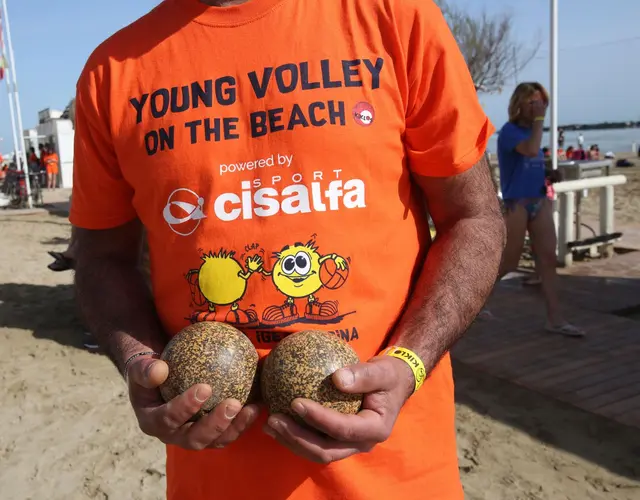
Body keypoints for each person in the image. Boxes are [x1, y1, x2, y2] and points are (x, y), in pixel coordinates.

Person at [70, 1, 505, 499]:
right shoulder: (114, 71)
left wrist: (410, 362)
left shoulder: (393, 17)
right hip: (216, 479)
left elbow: (472, 217)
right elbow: (101, 257)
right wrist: (141, 363)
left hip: (398, 477)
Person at [495, 82, 584, 337]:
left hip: (538, 199)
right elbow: (531, 149)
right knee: (509, 263)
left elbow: (530, 160)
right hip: (516, 204)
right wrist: (539, 122)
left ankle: (555, 319)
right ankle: (473, 304)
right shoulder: (510, 132)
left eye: (541, 103)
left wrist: (548, 172)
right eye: (533, 102)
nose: (539, 108)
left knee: (547, 260)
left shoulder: (531, 131)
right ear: (520, 103)